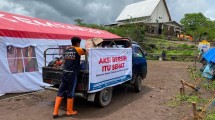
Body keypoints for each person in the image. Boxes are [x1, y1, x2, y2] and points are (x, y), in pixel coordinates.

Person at [53, 37, 86, 118]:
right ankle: (69, 111)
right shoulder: (78, 49)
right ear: (78, 43)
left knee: (60, 92)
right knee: (70, 92)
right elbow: (86, 53)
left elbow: (65, 60)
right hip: (72, 74)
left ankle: (55, 112)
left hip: (65, 73)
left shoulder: (67, 49)